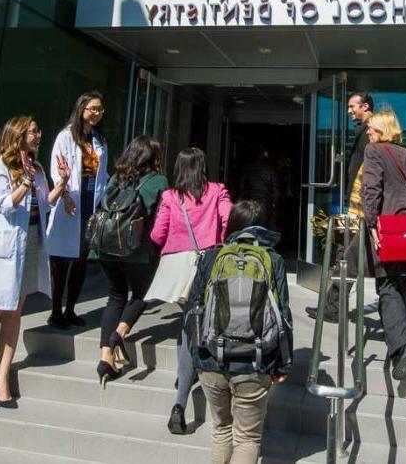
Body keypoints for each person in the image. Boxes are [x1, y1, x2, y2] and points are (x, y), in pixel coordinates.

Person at [0, 116, 71, 409]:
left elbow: (44, 202)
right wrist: (23, 181)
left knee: (14, 312)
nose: (38, 135)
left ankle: (2, 375)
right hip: (4, 248)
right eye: (33, 131)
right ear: (17, 134)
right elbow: (1, 204)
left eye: (39, 130)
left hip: (31, 245)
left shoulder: (37, 168)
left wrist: (62, 181)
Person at [187, 200, 292, 464]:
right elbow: (283, 314)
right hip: (255, 361)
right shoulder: (273, 259)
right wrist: (282, 363)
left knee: (221, 429)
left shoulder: (211, 257)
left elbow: (194, 308)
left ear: (232, 224)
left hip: (211, 358)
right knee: (247, 439)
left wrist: (197, 356)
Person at [149, 147, 232, 434]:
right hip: (209, 263)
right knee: (204, 324)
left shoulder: (170, 196)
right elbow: (227, 222)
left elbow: (157, 234)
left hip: (180, 268)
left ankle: (180, 401)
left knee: (187, 326)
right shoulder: (218, 191)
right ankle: (199, 382)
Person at [92, 136, 169, 386]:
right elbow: (160, 220)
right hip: (136, 251)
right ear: (153, 158)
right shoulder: (158, 181)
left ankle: (106, 357)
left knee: (115, 296)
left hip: (106, 247)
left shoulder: (117, 177)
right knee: (140, 295)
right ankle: (119, 334)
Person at [361, 110, 406, 381]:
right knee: (396, 277)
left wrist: (372, 223)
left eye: (371, 128)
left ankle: (404, 342)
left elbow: (371, 189)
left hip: (386, 222)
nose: (367, 132)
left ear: (381, 129)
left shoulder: (374, 151)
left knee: (385, 281)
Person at [305, 91, 375, 323]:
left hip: (363, 206)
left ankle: (333, 308)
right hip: (361, 204)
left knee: (345, 254)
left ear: (365, 106)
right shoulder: (364, 131)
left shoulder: (372, 133)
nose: (348, 111)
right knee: (353, 256)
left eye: (352, 106)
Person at [46, 92, 109, 329]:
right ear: (81, 108)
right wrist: (63, 196)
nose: (97, 113)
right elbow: (57, 170)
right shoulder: (66, 137)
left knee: (81, 260)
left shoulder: (99, 139)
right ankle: (55, 311)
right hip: (70, 201)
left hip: (90, 202)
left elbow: (102, 173)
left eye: (100, 110)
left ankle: (71, 308)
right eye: (93, 108)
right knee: (61, 261)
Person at [237, 148, 280, 228]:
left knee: (249, 225)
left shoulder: (248, 168)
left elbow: (242, 186)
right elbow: (275, 189)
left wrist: (240, 200)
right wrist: (274, 204)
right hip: (265, 202)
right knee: (263, 227)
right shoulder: (270, 169)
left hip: (250, 201)